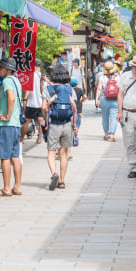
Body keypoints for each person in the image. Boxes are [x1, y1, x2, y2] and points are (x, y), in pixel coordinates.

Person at [43, 62, 77, 190]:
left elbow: (43, 108)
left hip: (54, 124)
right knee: (63, 153)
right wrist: (75, 126)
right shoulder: (70, 89)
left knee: (51, 151)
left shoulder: (49, 89)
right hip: (67, 124)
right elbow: (74, 108)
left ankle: (54, 174)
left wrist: (45, 117)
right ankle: (62, 181)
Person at [0, 57, 23, 197]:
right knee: (15, 156)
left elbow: (10, 98)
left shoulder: (6, 81)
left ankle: (6, 188)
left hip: (7, 125)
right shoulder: (17, 81)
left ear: (8, 69)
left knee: (5, 157)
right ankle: (17, 187)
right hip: (16, 125)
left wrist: (7, 115)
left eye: (1, 68)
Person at [95, 59, 120, 141]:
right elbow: (121, 90)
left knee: (105, 118)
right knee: (113, 118)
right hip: (115, 100)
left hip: (104, 99)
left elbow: (99, 89)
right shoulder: (118, 78)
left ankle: (106, 135)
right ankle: (112, 135)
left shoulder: (102, 77)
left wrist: (96, 99)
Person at [21, 59, 44, 143]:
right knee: (41, 121)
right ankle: (39, 138)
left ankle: (21, 139)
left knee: (26, 121)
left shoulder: (31, 75)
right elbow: (43, 90)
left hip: (31, 103)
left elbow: (28, 89)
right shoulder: (42, 76)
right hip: (41, 103)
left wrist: (25, 99)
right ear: (40, 65)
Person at [70, 59, 86, 131]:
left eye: (75, 62)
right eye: (73, 62)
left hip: (79, 86)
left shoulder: (80, 69)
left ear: (78, 63)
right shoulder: (71, 69)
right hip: (72, 86)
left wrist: (84, 85)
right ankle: (74, 111)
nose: (74, 64)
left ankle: (79, 111)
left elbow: (83, 77)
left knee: (78, 100)